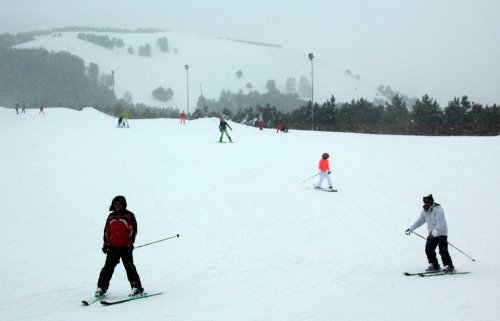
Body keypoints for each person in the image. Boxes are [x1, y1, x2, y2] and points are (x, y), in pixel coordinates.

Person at [95, 196, 144, 297]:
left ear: (124, 204)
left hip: (125, 247)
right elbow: (106, 231)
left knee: (129, 267)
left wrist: (131, 242)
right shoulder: (110, 216)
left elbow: (134, 230)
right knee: (107, 268)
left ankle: (136, 287)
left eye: (119, 204)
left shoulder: (129, 215)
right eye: (115, 204)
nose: (117, 206)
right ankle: (101, 287)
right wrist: (105, 243)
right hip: (112, 247)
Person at [405, 194, 455, 272]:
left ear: (431, 201)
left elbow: (440, 223)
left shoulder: (438, 210)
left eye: (427, 202)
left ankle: (449, 266)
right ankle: (434, 265)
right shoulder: (425, 211)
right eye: (425, 202)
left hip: (441, 232)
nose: (426, 203)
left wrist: (434, 233)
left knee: (443, 250)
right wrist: (411, 228)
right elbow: (420, 221)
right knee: (428, 249)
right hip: (432, 233)